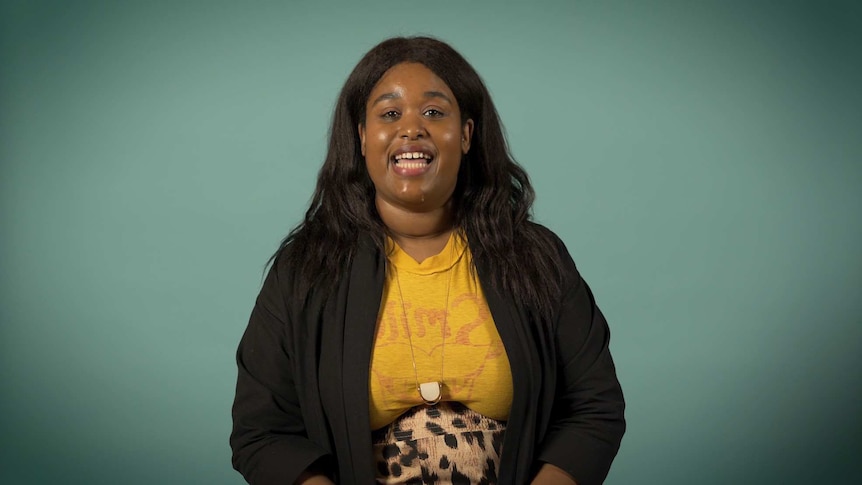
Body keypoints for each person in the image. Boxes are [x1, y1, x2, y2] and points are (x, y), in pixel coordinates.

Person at [230, 36, 625, 485]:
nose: (412, 128)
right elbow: (262, 433)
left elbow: (595, 408)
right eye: (390, 113)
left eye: (434, 113)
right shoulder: (303, 271)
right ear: (362, 136)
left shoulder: (536, 258)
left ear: (467, 135)